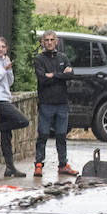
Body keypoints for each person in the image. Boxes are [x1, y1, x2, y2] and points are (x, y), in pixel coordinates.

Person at [33, 30, 79, 178]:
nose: (49, 42)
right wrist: (61, 75)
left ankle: (63, 164)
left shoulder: (63, 57)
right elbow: (42, 79)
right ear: (42, 42)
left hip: (62, 103)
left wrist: (53, 74)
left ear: (57, 41)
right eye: (46, 40)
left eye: (52, 40)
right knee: (43, 135)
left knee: (61, 136)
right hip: (46, 103)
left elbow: (71, 75)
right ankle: (39, 164)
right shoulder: (39, 59)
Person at [0, 37, 30, 178]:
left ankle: (10, 168)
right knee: (23, 121)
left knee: (7, 136)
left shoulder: (5, 60)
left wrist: (9, 70)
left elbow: (10, 82)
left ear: (6, 48)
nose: (0, 49)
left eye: (3, 46)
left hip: (6, 97)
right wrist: (4, 70)